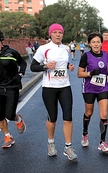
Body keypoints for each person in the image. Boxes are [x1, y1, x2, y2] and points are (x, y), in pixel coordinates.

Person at [30, 23, 77, 161]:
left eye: (60, 32)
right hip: (49, 87)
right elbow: (33, 67)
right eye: (55, 32)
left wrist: (69, 66)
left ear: (63, 34)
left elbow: (64, 64)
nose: (58, 34)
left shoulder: (66, 49)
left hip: (65, 86)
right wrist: (45, 66)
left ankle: (68, 147)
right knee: (53, 117)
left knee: (68, 116)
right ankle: (51, 143)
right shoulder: (44, 49)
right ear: (50, 34)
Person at [77, 32, 108, 153]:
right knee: (89, 112)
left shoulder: (105, 54)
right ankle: (85, 133)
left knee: (104, 115)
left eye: (98, 42)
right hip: (89, 88)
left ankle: (102, 142)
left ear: (101, 43)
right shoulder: (86, 56)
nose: (96, 44)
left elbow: (106, 68)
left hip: (103, 87)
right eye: (93, 42)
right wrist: (90, 73)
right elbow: (79, 74)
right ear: (89, 44)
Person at [0, 29, 27, 148]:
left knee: (10, 115)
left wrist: (20, 75)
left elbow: (23, 63)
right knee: (0, 115)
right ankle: (7, 136)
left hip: (12, 87)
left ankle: (18, 118)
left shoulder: (11, 53)